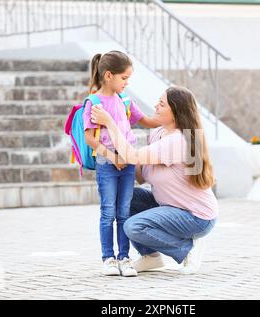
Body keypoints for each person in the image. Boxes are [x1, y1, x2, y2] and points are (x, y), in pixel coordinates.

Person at [91, 86, 218, 275]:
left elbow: (132, 156)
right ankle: (151, 257)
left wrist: (110, 123)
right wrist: (115, 154)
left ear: (175, 112)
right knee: (125, 197)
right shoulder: (159, 133)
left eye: (162, 104)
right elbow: (141, 175)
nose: (155, 107)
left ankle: (187, 248)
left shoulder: (178, 140)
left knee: (133, 226)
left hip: (196, 217)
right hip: (169, 207)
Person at [83, 51, 160, 277]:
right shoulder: (95, 103)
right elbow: (90, 137)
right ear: (109, 75)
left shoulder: (125, 101)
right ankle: (108, 258)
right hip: (107, 162)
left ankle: (124, 258)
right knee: (108, 211)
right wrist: (113, 156)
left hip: (127, 162)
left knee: (124, 211)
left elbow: (147, 121)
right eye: (124, 78)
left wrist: (174, 117)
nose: (127, 83)